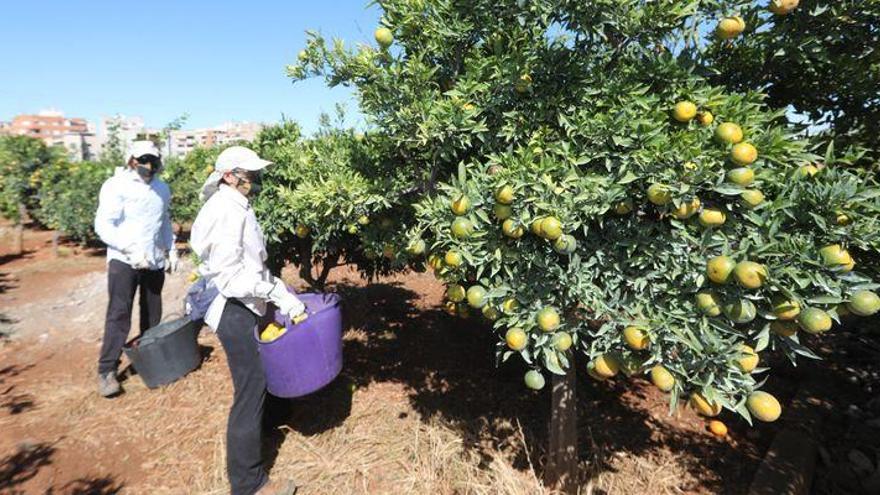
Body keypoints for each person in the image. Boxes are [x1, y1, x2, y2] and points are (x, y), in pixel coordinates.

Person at [189, 146, 304, 495]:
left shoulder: (233, 205)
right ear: (229, 176)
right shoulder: (227, 211)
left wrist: (270, 289)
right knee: (250, 387)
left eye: (255, 174)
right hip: (232, 305)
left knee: (261, 372)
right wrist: (275, 292)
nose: (255, 180)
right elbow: (229, 276)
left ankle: (270, 424)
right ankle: (248, 483)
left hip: (242, 300)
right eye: (249, 174)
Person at [94, 140, 178, 398]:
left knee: (153, 313)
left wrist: (171, 249)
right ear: (132, 160)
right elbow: (103, 225)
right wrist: (129, 248)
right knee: (119, 314)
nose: (149, 165)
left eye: (153, 160)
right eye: (144, 160)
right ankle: (107, 369)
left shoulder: (162, 189)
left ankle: (148, 359)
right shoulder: (116, 186)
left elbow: (163, 222)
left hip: (152, 260)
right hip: (124, 260)